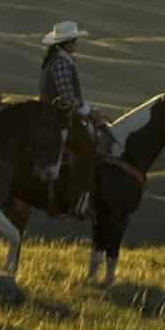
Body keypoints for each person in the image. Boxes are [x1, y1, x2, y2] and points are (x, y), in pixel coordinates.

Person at [39, 20, 111, 217]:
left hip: (55, 115)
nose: (77, 44)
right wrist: (91, 113)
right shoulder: (62, 64)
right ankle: (78, 202)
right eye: (74, 41)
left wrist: (91, 110)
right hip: (58, 118)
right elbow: (68, 99)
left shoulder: (57, 60)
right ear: (67, 43)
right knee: (87, 149)